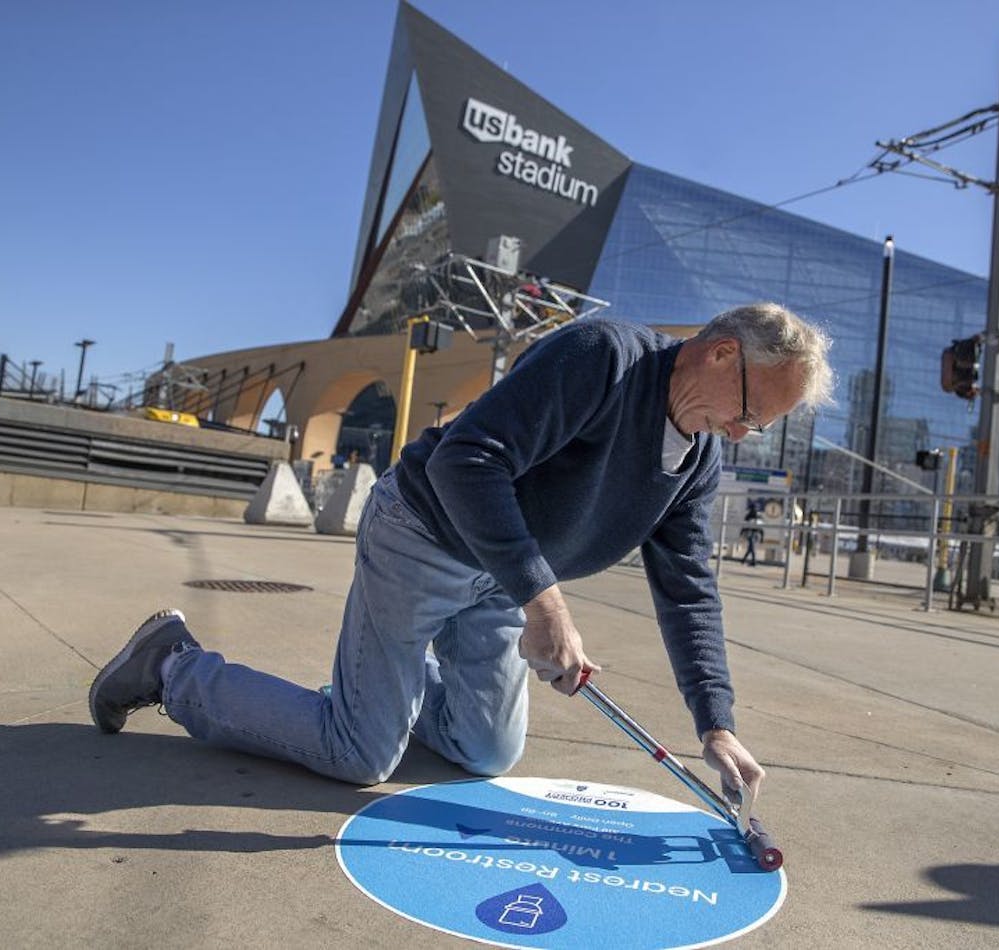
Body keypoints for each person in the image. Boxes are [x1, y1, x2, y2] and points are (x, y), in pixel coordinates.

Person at [90, 303, 834, 804]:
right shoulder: (602, 358)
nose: (741, 434)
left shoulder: (698, 457)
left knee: (487, 752)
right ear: (720, 353)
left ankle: (384, 684)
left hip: (502, 579)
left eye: (757, 427)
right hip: (424, 535)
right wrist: (545, 601)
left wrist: (716, 722)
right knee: (360, 755)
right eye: (749, 413)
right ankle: (173, 665)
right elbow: (466, 462)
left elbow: (689, 590)